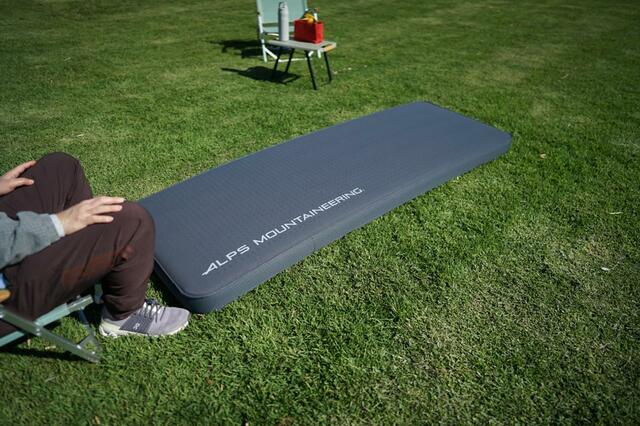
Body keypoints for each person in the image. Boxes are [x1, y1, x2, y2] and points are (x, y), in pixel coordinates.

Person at [0, 152, 190, 338]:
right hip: (6, 286)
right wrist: (56, 224)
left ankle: (93, 271)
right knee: (131, 221)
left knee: (60, 167)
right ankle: (123, 315)